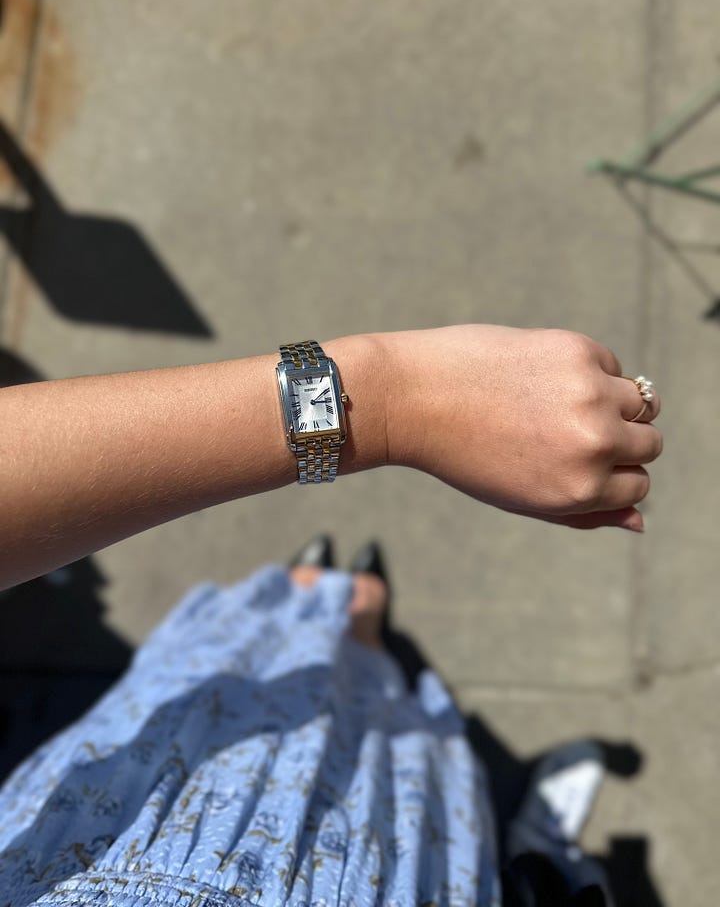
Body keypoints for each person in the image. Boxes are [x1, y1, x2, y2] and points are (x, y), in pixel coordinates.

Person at [0, 324, 662, 906]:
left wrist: (393, 396)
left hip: (94, 825)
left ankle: (317, 611)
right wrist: (391, 401)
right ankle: (535, 854)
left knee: (231, 668)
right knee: (383, 738)